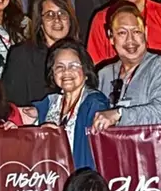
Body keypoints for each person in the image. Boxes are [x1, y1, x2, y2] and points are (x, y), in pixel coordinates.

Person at [93, 3, 161, 128]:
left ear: (146, 32)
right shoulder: (103, 74)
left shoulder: (160, 67)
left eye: (136, 32)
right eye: (122, 33)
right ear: (111, 36)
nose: (130, 40)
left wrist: (119, 114)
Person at [35, 39, 109, 169]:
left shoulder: (95, 103)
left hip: (82, 177)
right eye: (59, 67)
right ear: (52, 74)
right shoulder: (52, 103)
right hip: (52, 176)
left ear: (85, 71)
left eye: (73, 66)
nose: (66, 71)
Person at [2, 0, 77, 108]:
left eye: (62, 13)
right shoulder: (21, 55)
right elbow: (11, 106)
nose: (57, 20)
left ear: (70, 20)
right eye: (49, 15)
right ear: (40, 23)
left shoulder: (80, 55)